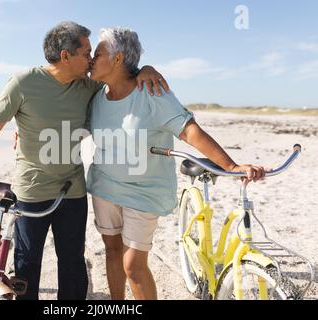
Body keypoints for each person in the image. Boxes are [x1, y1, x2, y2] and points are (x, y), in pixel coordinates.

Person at [0, 21, 169, 300]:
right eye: (86, 52)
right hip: (31, 191)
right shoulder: (23, 83)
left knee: (72, 263)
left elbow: (120, 78)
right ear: (66, 56)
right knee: (27, 266)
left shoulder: (89, 86)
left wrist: (146, 69)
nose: (91, 59)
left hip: (71, 192)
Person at [86, 27, 266, 300]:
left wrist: (230, 166)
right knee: (112, 250)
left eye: (97, 54)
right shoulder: (97, 96)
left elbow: (189, 131)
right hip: (104, 188)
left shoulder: (152, 92)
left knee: (133, 265)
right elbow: (65, 114)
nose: (91, 59)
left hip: (143, 192)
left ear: (118, 59)